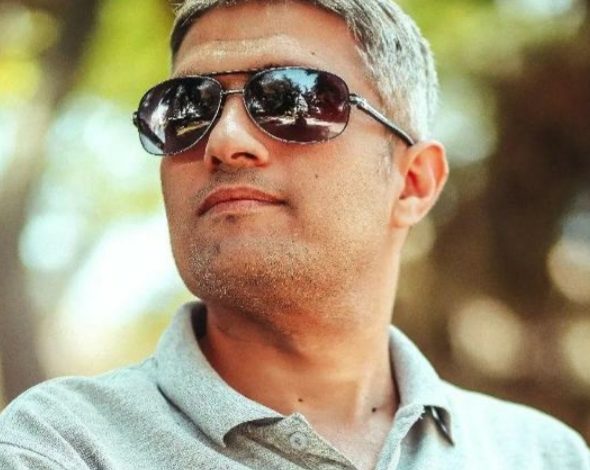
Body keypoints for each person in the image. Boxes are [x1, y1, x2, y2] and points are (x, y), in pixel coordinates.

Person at [1, 0, 589, 468]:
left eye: (291, 98)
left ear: (413, 183)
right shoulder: (59, 448)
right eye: (185, 109)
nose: (225, 140)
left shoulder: (543, 455)